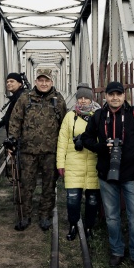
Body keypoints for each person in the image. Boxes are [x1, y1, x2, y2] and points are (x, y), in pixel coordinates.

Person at [81, 81, 134, 268]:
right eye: (111, 94)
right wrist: (101, 148)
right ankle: (117, 251)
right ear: (105, 96)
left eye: (118, 94)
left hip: (132, 175)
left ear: (124, 96)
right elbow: (86, 139)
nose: (115, 98)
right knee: (112, 217)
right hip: (106, 174)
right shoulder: (98, 116)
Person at [8, 68, 67, 231]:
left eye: (47, 80)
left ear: (52, 82)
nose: (44, 83)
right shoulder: (25, 98)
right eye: (41, 80)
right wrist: (12, 140)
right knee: (26, 185)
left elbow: (65, 125)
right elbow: (15, 120)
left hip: (51, 152)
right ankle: (25, 216)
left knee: (49, 186)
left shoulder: (58, 100)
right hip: (28, 151)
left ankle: (45, 216)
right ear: (36, 81)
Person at [56, 83, 101, 241]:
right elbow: (62, 141)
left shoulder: (99, 114)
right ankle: (73, 224)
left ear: (91, 99)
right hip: (74, 164)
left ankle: (89, 226)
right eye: (80, 98)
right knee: (72, 199)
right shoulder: (70, 116)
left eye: (86, 98)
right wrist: (60, 164)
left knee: (92, 200)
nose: (82, 101)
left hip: (93, 164)